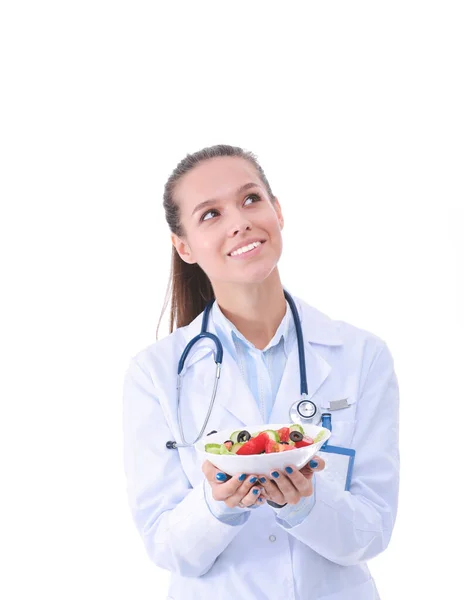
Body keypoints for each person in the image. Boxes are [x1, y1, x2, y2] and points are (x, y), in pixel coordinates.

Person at [122, 144, 400, 600]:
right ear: (184, 246)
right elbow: (166, 546)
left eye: (251, 199)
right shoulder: (155, 374)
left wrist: (306, 503)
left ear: (278, 211)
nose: (239, 221)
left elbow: (372, 531)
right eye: (210, 214)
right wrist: (217, 504)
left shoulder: (361, 355)